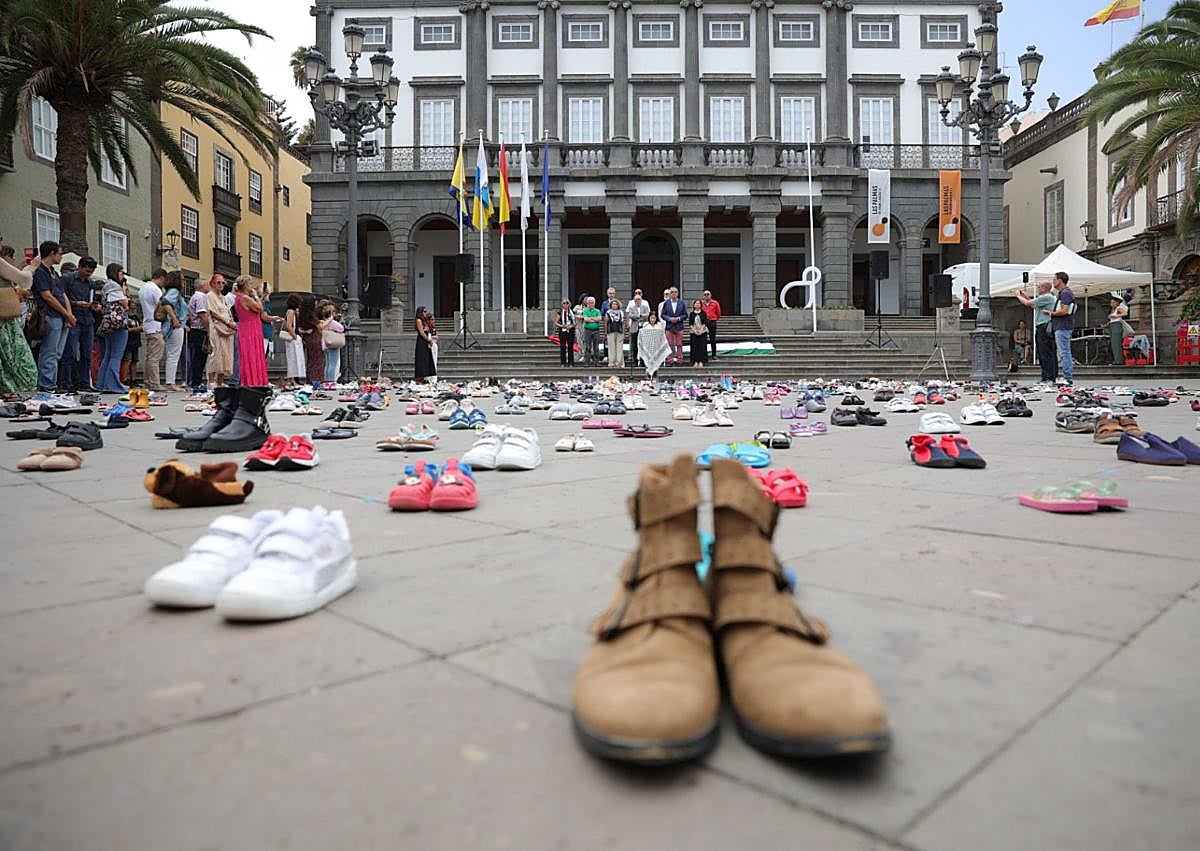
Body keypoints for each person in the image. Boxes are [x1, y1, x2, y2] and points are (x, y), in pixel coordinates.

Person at [31, 241, 72, 391]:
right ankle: (46, 384)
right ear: (52, 253)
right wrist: (66, 313)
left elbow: (62, 294)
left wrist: (68, 314)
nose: (61, 256)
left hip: (61, 316)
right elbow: (47, 296)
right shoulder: (40, 272)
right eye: (59, 253)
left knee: (57, 353)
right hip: (50, 315)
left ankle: (51, 383)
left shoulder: (54, 272)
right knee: (49, 351)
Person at [0, 240, 38, 394]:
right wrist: (33, 266)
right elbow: (23, 278)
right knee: (19, 357)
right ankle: (11, 390)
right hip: (4, 320)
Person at [59, 256, 99, 391]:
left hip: (87, 320)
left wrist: (94, 306)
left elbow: (93, 299)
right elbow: (59, 298)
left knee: (87, 354)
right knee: (69, 353)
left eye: (91, 272)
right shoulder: (68, 279)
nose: (89, 274)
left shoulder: (90, 283)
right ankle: (67, 383)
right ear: (80, 267)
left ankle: (84, 383)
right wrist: (76, 303)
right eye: (87, 271)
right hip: (73, 319)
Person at [1016, 280, 1058, 384]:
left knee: (1045, 353)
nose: (1038, 289)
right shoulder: (1048, 298)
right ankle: (1048, 376)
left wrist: (1018, 296)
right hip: (1046, 326)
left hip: (1044, 327)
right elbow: (1034, 305)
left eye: (1039, 287)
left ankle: (1048, 377)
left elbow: (1027, 303)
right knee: (1046, 352)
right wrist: (1026, 296)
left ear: (1044, 288)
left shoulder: (1046, 297)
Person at [96, 268, 130, 393]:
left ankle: (102, 383)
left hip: (108, 323)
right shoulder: (115, 286)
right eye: (121, 273)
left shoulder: (106, 286)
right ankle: (113, 385)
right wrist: (125, 292)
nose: (122, 276)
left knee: (108, 355)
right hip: (118, 324)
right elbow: (125, 303)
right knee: (116, 355)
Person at [233, 276, 269, 387]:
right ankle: (254, 381)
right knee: (252, 355)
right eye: (250, 284)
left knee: (248, 355)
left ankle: (251, 380)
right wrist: (256, 296)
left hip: (245, 328)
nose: (252, 287)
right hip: (250, 329)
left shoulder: (238, 298)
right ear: (246, 286)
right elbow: (260, 308)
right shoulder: (245, 298)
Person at [205, 276, 236, 387]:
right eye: (218, 282)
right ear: (212, 283)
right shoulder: (209, 296)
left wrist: (231, 323)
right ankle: (211, 381)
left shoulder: (223, 298)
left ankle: (220, 381)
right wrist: (228, 322)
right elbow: (213, 313)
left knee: (226, 355)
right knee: (215, 354)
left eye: (223, 283)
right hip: (216, 328)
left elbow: (228, 312)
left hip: (227, 329)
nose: (221, 285)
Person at [158, 271, 187, 391]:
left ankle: (170, 381)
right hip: (175, 326)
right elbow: (166, 303)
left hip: (173, 326)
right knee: (174, 354)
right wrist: (175, 319)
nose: (184, 281)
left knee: (172, 354)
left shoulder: (171, 292)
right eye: (182, 279)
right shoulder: (174, 292)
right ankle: (171, 382)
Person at [1045, 271, 1075, 385]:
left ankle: (1067, 377)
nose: (1053, 281)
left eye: (1054, 279)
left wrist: (1051, 313)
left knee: (1064, 352)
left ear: (1060, 280)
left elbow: (1064, 310)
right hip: (1062, 326)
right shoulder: (1064, 293)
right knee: (1063, 352)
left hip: (1063, 326)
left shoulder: (1065, 293)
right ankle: (1067, 376)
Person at [139, 268, 166, 391]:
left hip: (147, 324)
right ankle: (155, 382)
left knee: (149, 356)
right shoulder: (155, 290)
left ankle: (147, 381)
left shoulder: (143, 288)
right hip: (156, 325)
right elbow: (162, 306)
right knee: (155, 357)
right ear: (161, 278)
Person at [185, 276, 213, 390]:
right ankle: (196, 382)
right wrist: (208, 330)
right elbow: (202, 315)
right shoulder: (201, 297)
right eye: (207, 284)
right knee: (200, 357)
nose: (208, 286)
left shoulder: (195, 297)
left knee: (198, 356)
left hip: (196, 329)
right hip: (200, 330)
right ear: (202, 286)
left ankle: (196, 380)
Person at [298, 295, 323, 385]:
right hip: (315, 338)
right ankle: (316, 379)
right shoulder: (311, 315)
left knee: (310, 359)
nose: (316, 303)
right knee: (317, 359)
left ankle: (309, 378)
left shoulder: (302, 314)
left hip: (307, 338)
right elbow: (320, 326)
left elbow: (300, 327)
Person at [282, 294, 306, 387]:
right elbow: (289, 325)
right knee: (293, 358)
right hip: (292, 339)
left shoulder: (290, 311)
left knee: (293, 358)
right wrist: (295, 336)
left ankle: (293, 379)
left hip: (292, 338)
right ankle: (292, 379)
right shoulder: (291, 312)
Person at [637, 311, 669, 378]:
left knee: (657, 358)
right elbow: (642, 335)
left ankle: (655, 371)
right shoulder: (646, 325)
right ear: (649, 318)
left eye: (654, 318)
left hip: (657, 346)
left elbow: (662, 335)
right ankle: (648, 372)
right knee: (648, 358)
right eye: (651, 318)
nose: (652, 320)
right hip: (647, 346)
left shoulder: (659, 325)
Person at [660, 287, 687, 365]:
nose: (673, 294)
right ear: (670, 294)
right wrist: (669, 319)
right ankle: (670, 360)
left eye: (675, 292)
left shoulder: (682, 303)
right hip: (669, 326)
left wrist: (678, 318)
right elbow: (663, 315)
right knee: (669, 344)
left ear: (678, 293)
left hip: (679, 326)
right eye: (672, 292)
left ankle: (680, 360)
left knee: (679, 344)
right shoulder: (666, 303)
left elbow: (685, 315)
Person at [625, 289, 650, 366]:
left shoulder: (645, 306)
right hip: (634, 327)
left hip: (643, 327)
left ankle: (642, 361)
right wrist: (640, 316)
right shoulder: (631, 307)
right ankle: (635, 361)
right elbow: (630, 315)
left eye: (639, 299)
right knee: (634, 345)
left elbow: (647, 315)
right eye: (636, 299)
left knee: (643, 345)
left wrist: (639, 317)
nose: (637, 301)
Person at [321, 302, 344, 383]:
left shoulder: (324, 322)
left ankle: (327, 380)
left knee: (328, 363)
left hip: (326, 344)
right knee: (333, 364)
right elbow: (341, 328)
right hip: (333, 344)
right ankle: (331, 381)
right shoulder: (332, 323)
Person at [413, 305, 437, 381]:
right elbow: (422, 333)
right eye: (424, 311)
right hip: (422, 341)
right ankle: (420, 377)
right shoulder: (418, 320)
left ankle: (425, 376)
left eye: (426, 311)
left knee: (426, 359)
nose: (426, 313)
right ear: (420, 312)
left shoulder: (424, 321)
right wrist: (429, 340)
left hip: (426, 340)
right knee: (421, 359)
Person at [580, 296, 602, 365]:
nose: (590, 304)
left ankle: (596, 362)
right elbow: (586, 319)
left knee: (596, 347)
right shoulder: (585, 310)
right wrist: (594, 319)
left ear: (594, 303)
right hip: (588, 330)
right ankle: (587, 362)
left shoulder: (597, 311)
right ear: (587, 303)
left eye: (592, 303)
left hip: (596, 330)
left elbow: (599, 318)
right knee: (588, 346)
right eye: (589, 303)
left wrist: (590, 319)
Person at [1107, 294, 1129, 364]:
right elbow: (1111, 320)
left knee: (1117, 343)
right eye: (1111, 303)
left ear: (1117, 302)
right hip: (1112, 326)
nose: (1112, 304)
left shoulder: (1119, 308)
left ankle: (1119, 360)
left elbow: (1125, 313)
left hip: (1117, 326)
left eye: (1113, 302)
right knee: (1113, 344)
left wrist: (1116, 316)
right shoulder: (1112, 310)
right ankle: (1116, 359)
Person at [701, 289, 722, 361]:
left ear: (711, 295)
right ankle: (704, 355)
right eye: (705, 294)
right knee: (703, 339)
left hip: (712, 322)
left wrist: (714, 319)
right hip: (703, 323)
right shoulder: (701, 303)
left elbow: (718, 313)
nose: (706, 296)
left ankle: (714, 355)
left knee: (712, 339)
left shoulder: (715, 303)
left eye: (708, 294)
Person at [688, 299, 710, 366]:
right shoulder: (691, 314)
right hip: (694, 332)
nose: (697, 304)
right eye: (696, 303)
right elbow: (690, 324)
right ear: (694, 305)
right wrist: (695, 331)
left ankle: (701, 361)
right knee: (694, 347)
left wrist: (700, 330)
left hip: (702, 332)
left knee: (702, 347)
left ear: (701, 305)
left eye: (699, 303)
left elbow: (705, 323)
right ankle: (695, 361)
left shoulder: (703, 313)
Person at [605, 297, 625, 369]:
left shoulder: (621, 312)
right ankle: (611, 363)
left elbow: (623, 323)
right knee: (611, 347)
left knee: (619, 347)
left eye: (616, 304)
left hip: (619, 331)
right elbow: (606, 322)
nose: (614, 305)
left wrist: (623, 332)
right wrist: (606, 332)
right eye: (613, 304)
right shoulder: (608, 312)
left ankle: (619, 363)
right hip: (611, 331)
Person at [555, 299, 576, 366]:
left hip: (570, 330)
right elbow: (556, 322)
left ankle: (571, 363)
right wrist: (562, 326)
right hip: (563, 331)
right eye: (564, 303)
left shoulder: (572, 312)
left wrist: (571, 326)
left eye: (567, 303)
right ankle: (563, 362)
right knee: (563, 347)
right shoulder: (560, 312)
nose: (565, 305)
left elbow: (575, 322)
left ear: (569, 304)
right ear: (562, 304)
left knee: (570, 347)